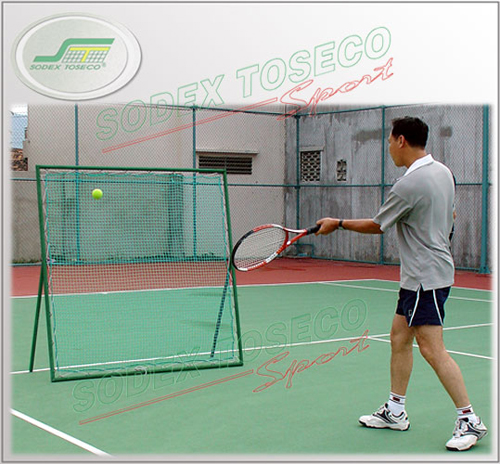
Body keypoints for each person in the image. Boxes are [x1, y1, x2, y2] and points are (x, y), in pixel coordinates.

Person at [315, 117, 487, 452]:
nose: (389, 148)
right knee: (399, 338)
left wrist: (337, 223)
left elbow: (378, 225)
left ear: (402, 140)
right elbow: (451, 216)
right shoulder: (444, 172)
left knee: (432, 349)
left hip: (426, 277)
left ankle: (469, 419)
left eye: (390, 141)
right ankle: (395, 411)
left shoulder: (409, 185)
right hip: (422, 276)